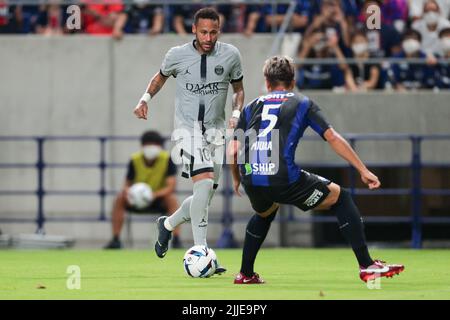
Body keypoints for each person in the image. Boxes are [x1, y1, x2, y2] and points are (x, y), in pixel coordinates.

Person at [228, 56, 404, 284]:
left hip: (251, 177)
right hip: (284, 178)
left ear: (267, 81)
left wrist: (236, 179)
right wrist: (363, 169)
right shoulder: (302, 102)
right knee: (341, 197)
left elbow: (232, 150)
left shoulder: (251, 106)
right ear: (293, 81)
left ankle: (245, 274)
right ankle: (367, 265)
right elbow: (331, 137)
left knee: (265, 212)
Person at [133, 7, 245, 275]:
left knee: (203, 197)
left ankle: (168, 224)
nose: (208, 37)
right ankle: (202, 254)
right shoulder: (176, 55)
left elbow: (238, 89)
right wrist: (144, 99)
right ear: (194, 29)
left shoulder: (231, 55)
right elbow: (159, 77)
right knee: (204, 182)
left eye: (213, 32)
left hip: (216, 132)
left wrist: (237, 113)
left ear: (219, 31)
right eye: (204, 32)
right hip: (187, 130)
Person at [104, 131, 181, 249]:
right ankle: (115, 239)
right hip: (136, 200)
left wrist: (154, 195)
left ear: (160, 146)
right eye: (148, 144)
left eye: (154, 145)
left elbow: (171, 186)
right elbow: (126, 184)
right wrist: (129, 193)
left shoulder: (167, 159)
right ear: (142, 146)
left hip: (158, 199)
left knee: (172, 199)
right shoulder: (135, 159)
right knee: (120, 198)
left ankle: (176, 240)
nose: (150, 148)